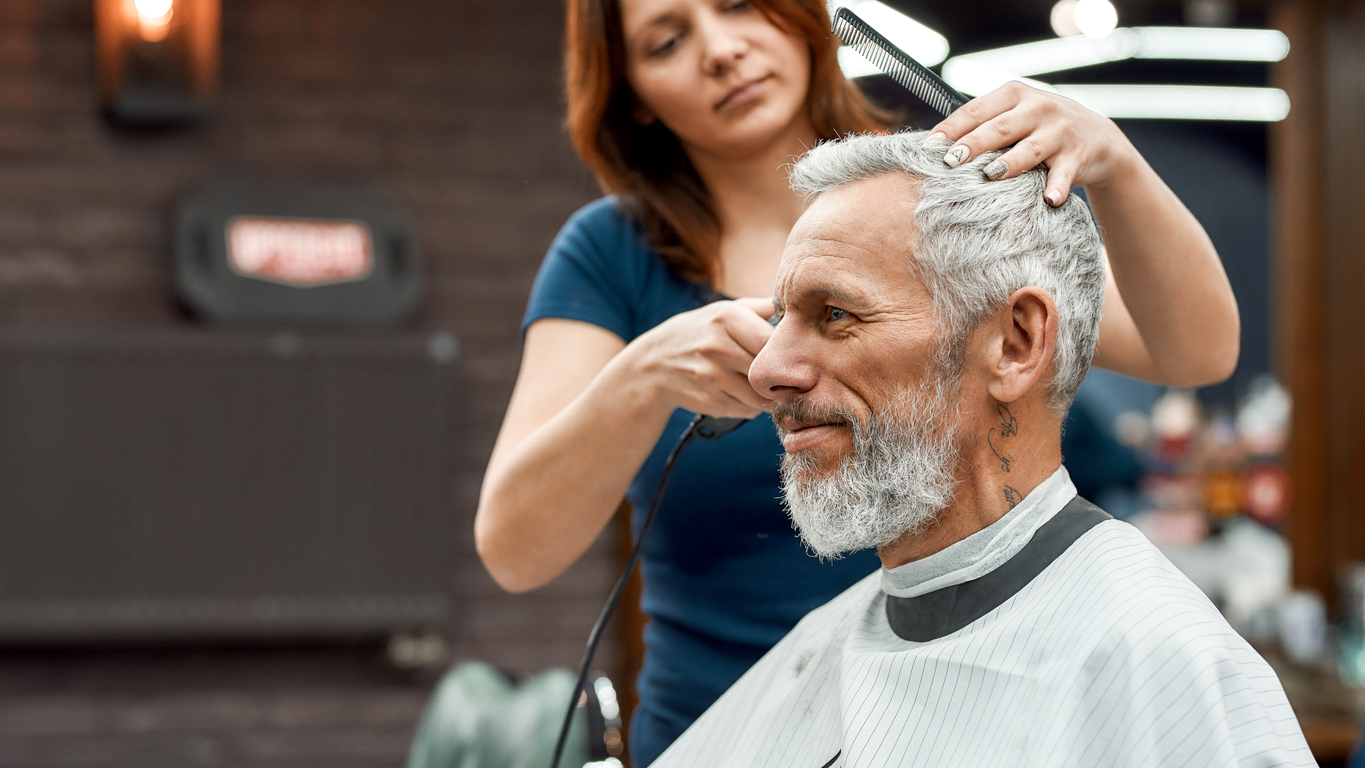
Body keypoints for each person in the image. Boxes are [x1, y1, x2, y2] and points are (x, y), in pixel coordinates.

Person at [474, 0, 1241, 763]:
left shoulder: (932, 200)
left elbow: (1195, 353)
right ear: (633, 94)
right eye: (666, 40)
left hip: (947, 730)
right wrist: (639, 378)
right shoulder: (611, 255)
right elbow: (515, 549)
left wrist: (1112, 164)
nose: (720, 51)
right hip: (719, 733)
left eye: (739, 5)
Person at [650, 130, 1311, 768]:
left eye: (835, 315)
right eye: (777, 321)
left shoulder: (1152, 656)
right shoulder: (828, 643)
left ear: (1015, 344)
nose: (766, 369)